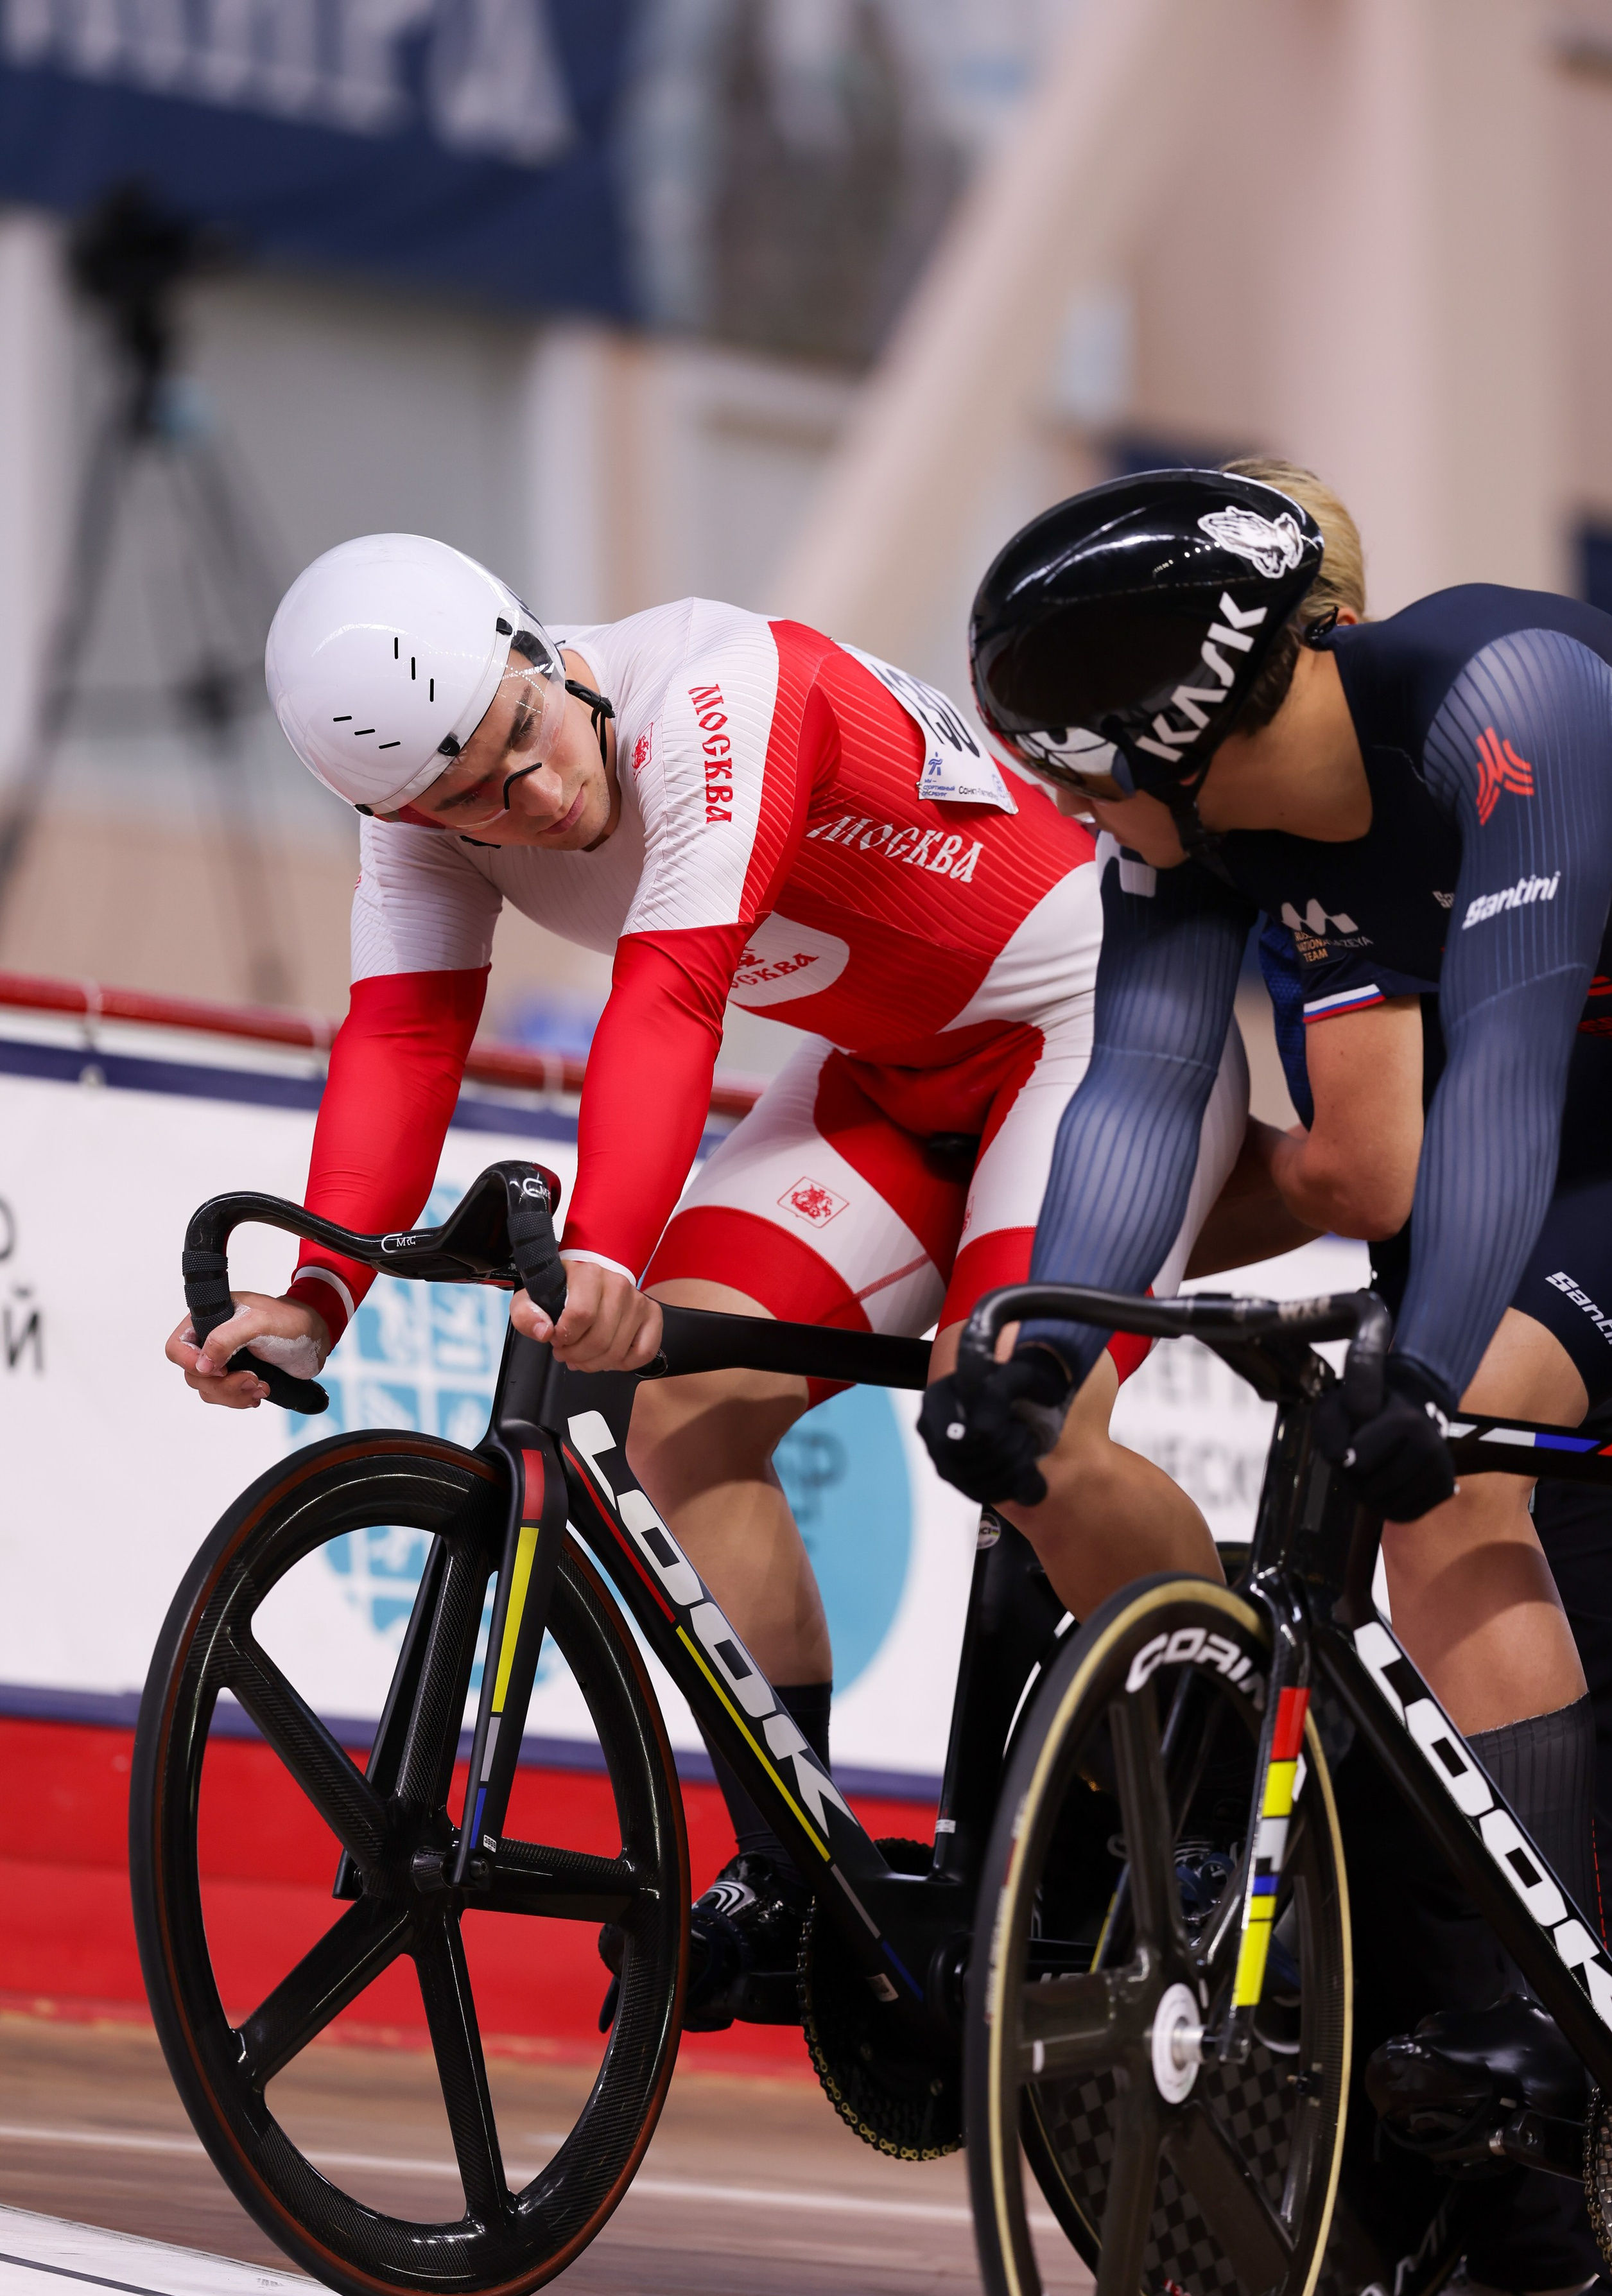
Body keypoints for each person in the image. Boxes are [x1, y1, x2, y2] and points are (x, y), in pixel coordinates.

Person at [164, 532, 1247, 2029]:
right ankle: (797, 1861)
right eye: (468, 799)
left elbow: (670, 998)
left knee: (1020, 1431)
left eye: (524, 741)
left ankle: (1223, 1814)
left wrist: (606, 1246)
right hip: (886, 1074)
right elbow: (405, 1039)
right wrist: (313, 1294)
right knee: (673, 1417)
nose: (528, 802)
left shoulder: (725, 691)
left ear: (536, 650)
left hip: (1088, 1026)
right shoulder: (419, 811)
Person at [922, 462, 1612, 2296]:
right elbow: (1144, 1095)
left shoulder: (1516, 700)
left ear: (1159, 729)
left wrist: (1430, 1359)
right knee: (1434, 1506)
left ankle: (1551, 2060)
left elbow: (1489, 1071)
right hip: (1601, 1137)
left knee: (1452, 1450)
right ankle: (1565, 2086)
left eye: (1073, 777)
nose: (1070, 820)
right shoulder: (1202, 840)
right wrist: (1046, 1356)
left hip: (1576, 1121)